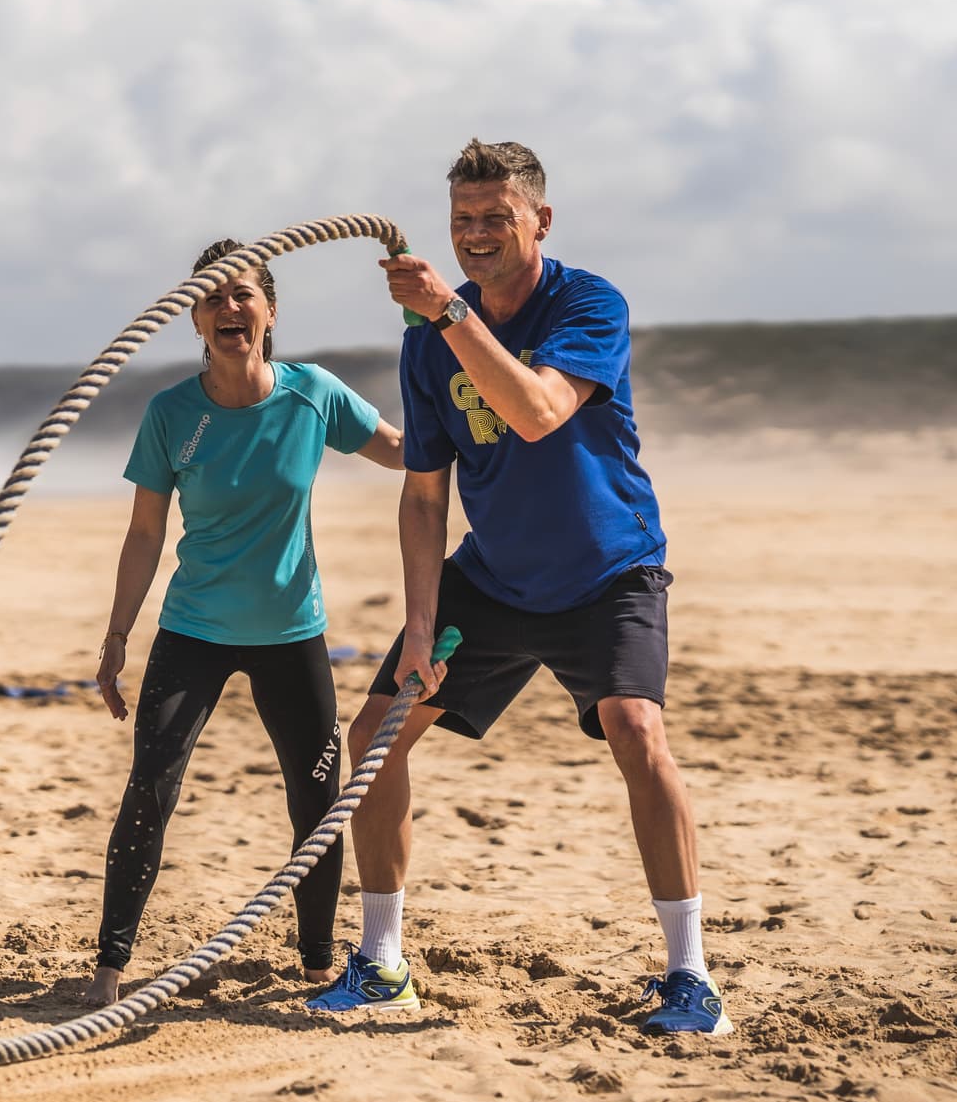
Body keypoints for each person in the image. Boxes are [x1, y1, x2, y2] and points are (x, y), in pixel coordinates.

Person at [305, 140, 731, 1035]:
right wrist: (420, 627)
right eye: (463, 221)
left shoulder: (586, 302)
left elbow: (537, 413)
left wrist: (451, 314)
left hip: (609, 570)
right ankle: (382, 961)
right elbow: (424, 497)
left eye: (497, 217)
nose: (477, 235)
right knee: (375, 731)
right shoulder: (428, 342)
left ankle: (691, 977)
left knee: (634, 727)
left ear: (541, 218)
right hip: (493, 580)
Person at [86, 239, 406, 1007]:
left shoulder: (312, 395)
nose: (229, 308)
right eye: (212, 297)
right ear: (193, 318)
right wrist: (118, 634)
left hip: (292, 631)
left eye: (243, 296)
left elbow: (403, 451)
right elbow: (144, 533)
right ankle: (109, 966)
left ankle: (316, 961)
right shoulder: (172, 414)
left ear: (269, 311)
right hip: (193, 628)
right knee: (150, 788)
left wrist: (465, 402)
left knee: (317, 796)